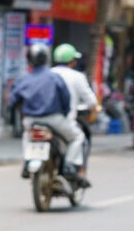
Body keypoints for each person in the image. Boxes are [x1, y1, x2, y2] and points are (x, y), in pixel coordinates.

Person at [10, 43, 90, 187]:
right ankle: (68, 165)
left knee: (26, 136)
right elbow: (66, 99)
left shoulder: (24, 79)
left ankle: (27, 161)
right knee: (77, 137)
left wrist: (22, 114)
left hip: (30, 120)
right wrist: (65, 115)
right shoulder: (54, 77)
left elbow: (13, 101)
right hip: (54, 119)